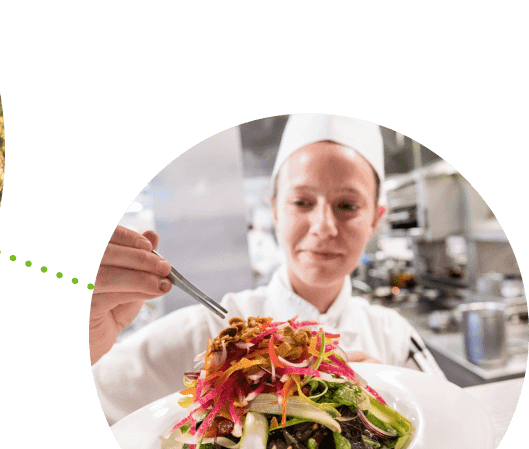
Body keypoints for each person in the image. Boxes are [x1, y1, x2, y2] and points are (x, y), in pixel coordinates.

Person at [90, 114, 445, 427]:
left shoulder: (393, 334)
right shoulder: (212, 331)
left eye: (347, 205)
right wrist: (94, 338)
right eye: (302, 202)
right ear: (275, 210)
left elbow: (451, 427)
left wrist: (386, 396)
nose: (323, 226)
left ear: (375, 220)